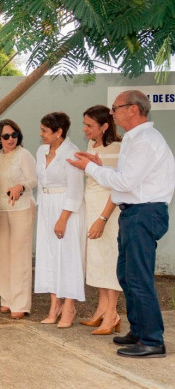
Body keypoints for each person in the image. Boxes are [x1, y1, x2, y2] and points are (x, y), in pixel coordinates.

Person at [69, 90, 174, 358]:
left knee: (138, 278)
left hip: (144, 212)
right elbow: (125, 178)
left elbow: (126, 183)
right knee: (127, 275)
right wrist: (98, 164)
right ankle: (139, 332)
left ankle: (152, 340)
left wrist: (91, 169)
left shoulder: (145, 141)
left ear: (133, 110)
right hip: (134, 212)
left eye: (116, 108)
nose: (112, 113)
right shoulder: (134, 139)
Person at [34, 111, 85, 328]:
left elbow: (75, 190)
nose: (41, 134)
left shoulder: (72, 153)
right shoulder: (41, 150)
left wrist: (63, 218)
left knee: (67, 255)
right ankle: (54, 305)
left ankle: (69, 306)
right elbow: (40, 180)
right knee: (48, 255)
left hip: (66, 207)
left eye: (45, 131)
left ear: (58, 132)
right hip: (46, 205)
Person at [77, 105, 123, 335]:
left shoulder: (116, 148)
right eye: (84, 124)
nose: (84, 129)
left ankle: (112, 313)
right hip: (93, 207)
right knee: (98, 262)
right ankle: (102, 309)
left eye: (89, 125)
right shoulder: (92, 146)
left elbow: (116, 187)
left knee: (110, 261)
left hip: (109, 213)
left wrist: (102, 219)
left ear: (105, 126)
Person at [0, 119, 36, 319]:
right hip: (2, 210)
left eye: (14, 134)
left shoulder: (24, 155)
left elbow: (35, 178)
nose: (11, 139)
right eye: (6, 136)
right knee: (3, 255)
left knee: (19, 256)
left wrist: (21, 186)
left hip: (22, 209)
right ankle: (7, 299)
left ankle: (20, 303)